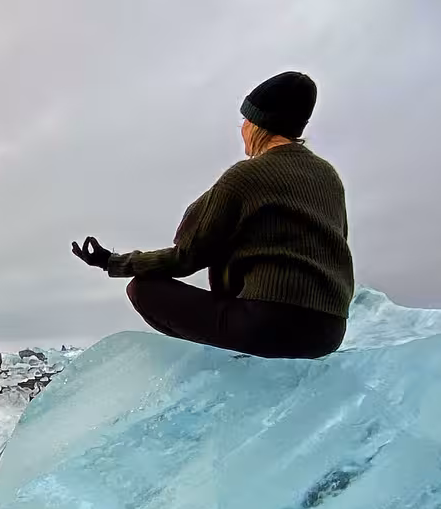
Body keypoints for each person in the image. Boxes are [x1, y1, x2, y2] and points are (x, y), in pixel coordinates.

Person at [71, 70, 354, 359]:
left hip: (269, 325)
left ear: (259, 125)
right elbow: (336, 243)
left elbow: (187, 256)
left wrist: (113, 262)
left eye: (245, 120)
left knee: (143, 289)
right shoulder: (329, 177)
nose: (242, 127)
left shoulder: (245, 176)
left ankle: (219, 367)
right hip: (329, 332)